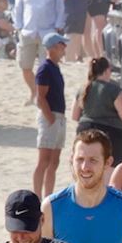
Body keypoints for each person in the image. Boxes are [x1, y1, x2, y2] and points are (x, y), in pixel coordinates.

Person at [13, 0, 65, 103]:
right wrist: (18, 27)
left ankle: (43, 96)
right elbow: (18, 9)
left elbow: (60, 8)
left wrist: (58, 27)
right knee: (25, 66)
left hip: (47, 33)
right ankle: (34, 92)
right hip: (27, 32)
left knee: (46, 67)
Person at [72, 57, 122, 160]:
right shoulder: (114, 90)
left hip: (85, 130)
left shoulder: (83, 88)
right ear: (107, 70)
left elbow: (74, 116)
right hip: (110, 132)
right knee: (110, 168)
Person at [34, 33, 69, 200]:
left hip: (59, 117)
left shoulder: (54, 67)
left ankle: (48, 196)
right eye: (62, 45)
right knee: (44, 160)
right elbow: (40, 97)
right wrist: (50, 118)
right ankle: (37, 196)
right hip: (51, 116)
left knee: (54, 161)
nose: (64, 49)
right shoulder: (45, 68)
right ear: (53, 47)